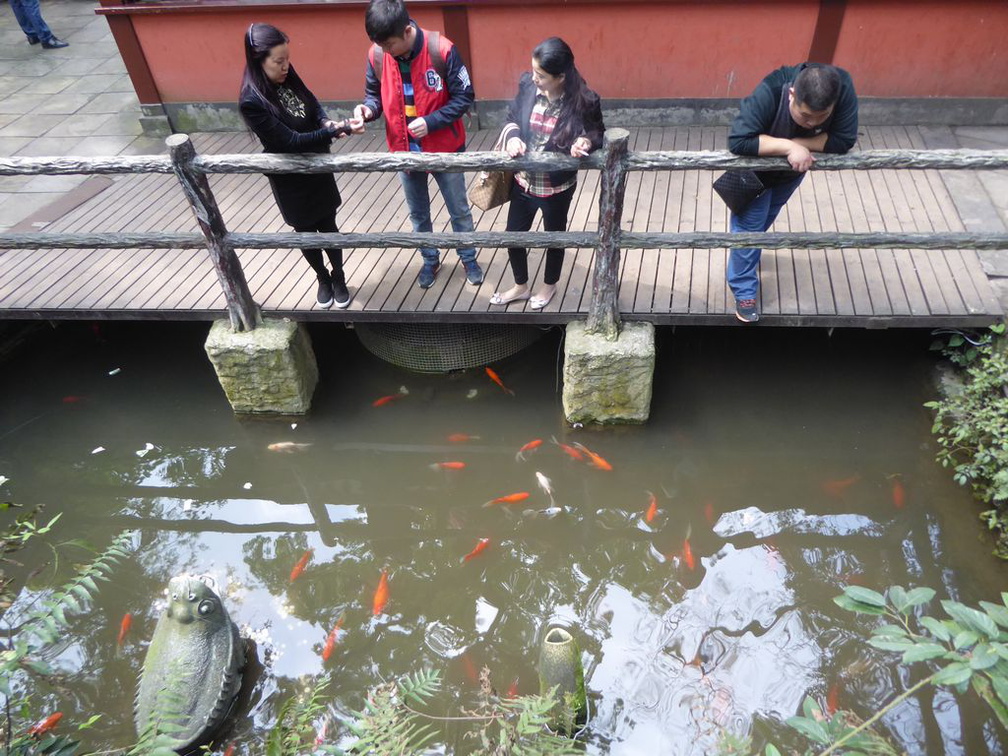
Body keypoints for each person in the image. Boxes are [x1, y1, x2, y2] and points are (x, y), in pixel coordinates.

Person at [349, 0, 483, 290]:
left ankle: (468, 257)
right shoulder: (377, 55)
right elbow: (373, 96)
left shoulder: (442, 49)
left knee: (458, 209)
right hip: (404, 151)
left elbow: (464, 96)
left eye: (389, 45)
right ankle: (430, 258)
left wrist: (431, 122)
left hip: (445, 148)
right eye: (381, 46)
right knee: (418, 213)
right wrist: (366, 111)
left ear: (407, 30)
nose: (386, 52)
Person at [725, 62, 858, 322]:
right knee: (749, 228)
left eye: (822, 117)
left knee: (762, 222)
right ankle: (744, 290)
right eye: (805, 116)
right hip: (755, 172)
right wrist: (788, 147)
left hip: (790, 173)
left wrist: (798, 145)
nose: (813, 123)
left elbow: (844, 139)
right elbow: (739, 140)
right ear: (792, 94)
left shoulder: (842, 87)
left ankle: (746, 260)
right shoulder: (772, 89)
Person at [239, 23, 351, 309]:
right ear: (258, 61)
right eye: (278, 61)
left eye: (287, 58)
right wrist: (334, 130)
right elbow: (290, 141)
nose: (286, 66)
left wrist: (326, 122)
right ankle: (322, 278)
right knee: (305, 230)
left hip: (316, 166)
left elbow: (311, 102)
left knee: (328, 224)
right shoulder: (252, 100)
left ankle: (339, 277)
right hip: (290, 177)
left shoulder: (286, 74)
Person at [489, 37, 604, 310]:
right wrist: (513, 137)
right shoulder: (527, 86)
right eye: (533, 71)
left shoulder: (584, 100)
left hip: (557, 187)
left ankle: (549, 285)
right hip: (523, 181)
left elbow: (597, 132)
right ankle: (520, 285)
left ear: (560, 76)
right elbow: (511, 118)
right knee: (513, 236)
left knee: (555, 238)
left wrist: (585, 142)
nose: (534, 78)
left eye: (540, 75)